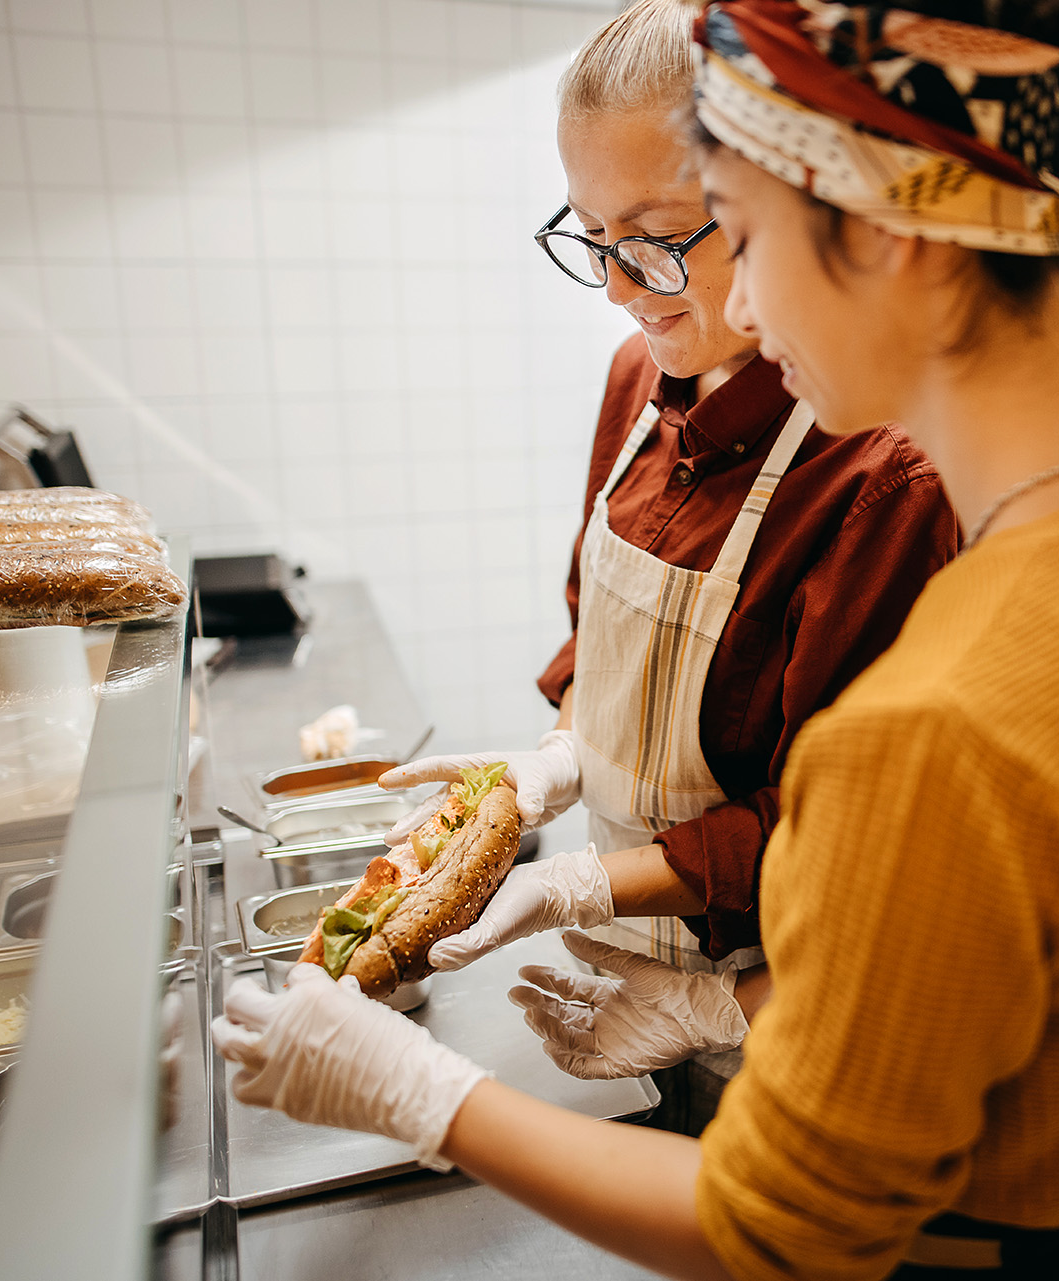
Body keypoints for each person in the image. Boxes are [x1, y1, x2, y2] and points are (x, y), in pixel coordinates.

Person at [212, 1, 1059, 1277]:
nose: (753, 313)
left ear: (884, 234)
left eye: (748, 236)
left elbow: (779, 1230)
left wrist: (424, 1099)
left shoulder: (932, 724)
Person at [375, 0, 958, 1008]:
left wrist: (593, 892)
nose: (617, 287)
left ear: (777, 200)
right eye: (592, 235)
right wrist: (555, 766)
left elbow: (853, 831)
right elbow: (596, 653)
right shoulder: (634, 386)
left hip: (785, 1000)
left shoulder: (884, 472)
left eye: (651, 239)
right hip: (618, 972)